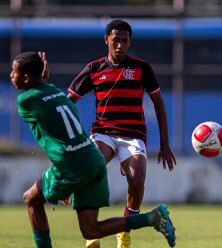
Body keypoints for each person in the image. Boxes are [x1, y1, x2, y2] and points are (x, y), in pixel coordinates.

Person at [10, 51, 176, 248]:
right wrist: (44, 84)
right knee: (91, 230)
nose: (11, 75)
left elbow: (43, 118)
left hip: (72, 165)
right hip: (93, 159)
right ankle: (151, 218)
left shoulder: (26, 101)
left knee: (31, 199)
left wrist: (68, 181)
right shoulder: (55, 92)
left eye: (14, 71)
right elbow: (53, 106)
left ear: (26, 77)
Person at [66, 19, 177, 248]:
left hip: (133, 134)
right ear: (106, 40)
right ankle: (91, 233)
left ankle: (124, 231)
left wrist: (165, 145)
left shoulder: (141, 68)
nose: (120, 45)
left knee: (137, 181)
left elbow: (159, 103)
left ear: (130, 42)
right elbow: (68, 103)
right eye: (115, 40)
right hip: (103, 132)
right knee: (92, 168)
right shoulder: (94, 69)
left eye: (125, 41)